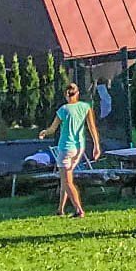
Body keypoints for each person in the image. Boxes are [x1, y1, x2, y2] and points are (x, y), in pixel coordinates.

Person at [38, 81, 100, 218]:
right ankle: (60, 209)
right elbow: (92, 128)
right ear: (77, 93)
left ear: (66, 95)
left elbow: (52, 129)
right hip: (79, 149)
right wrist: (96, 146)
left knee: (67, 182)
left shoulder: (63, 110)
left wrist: (44, 132)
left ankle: (79, 210)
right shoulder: (86, 107)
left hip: (66, 148)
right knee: (65, 179)